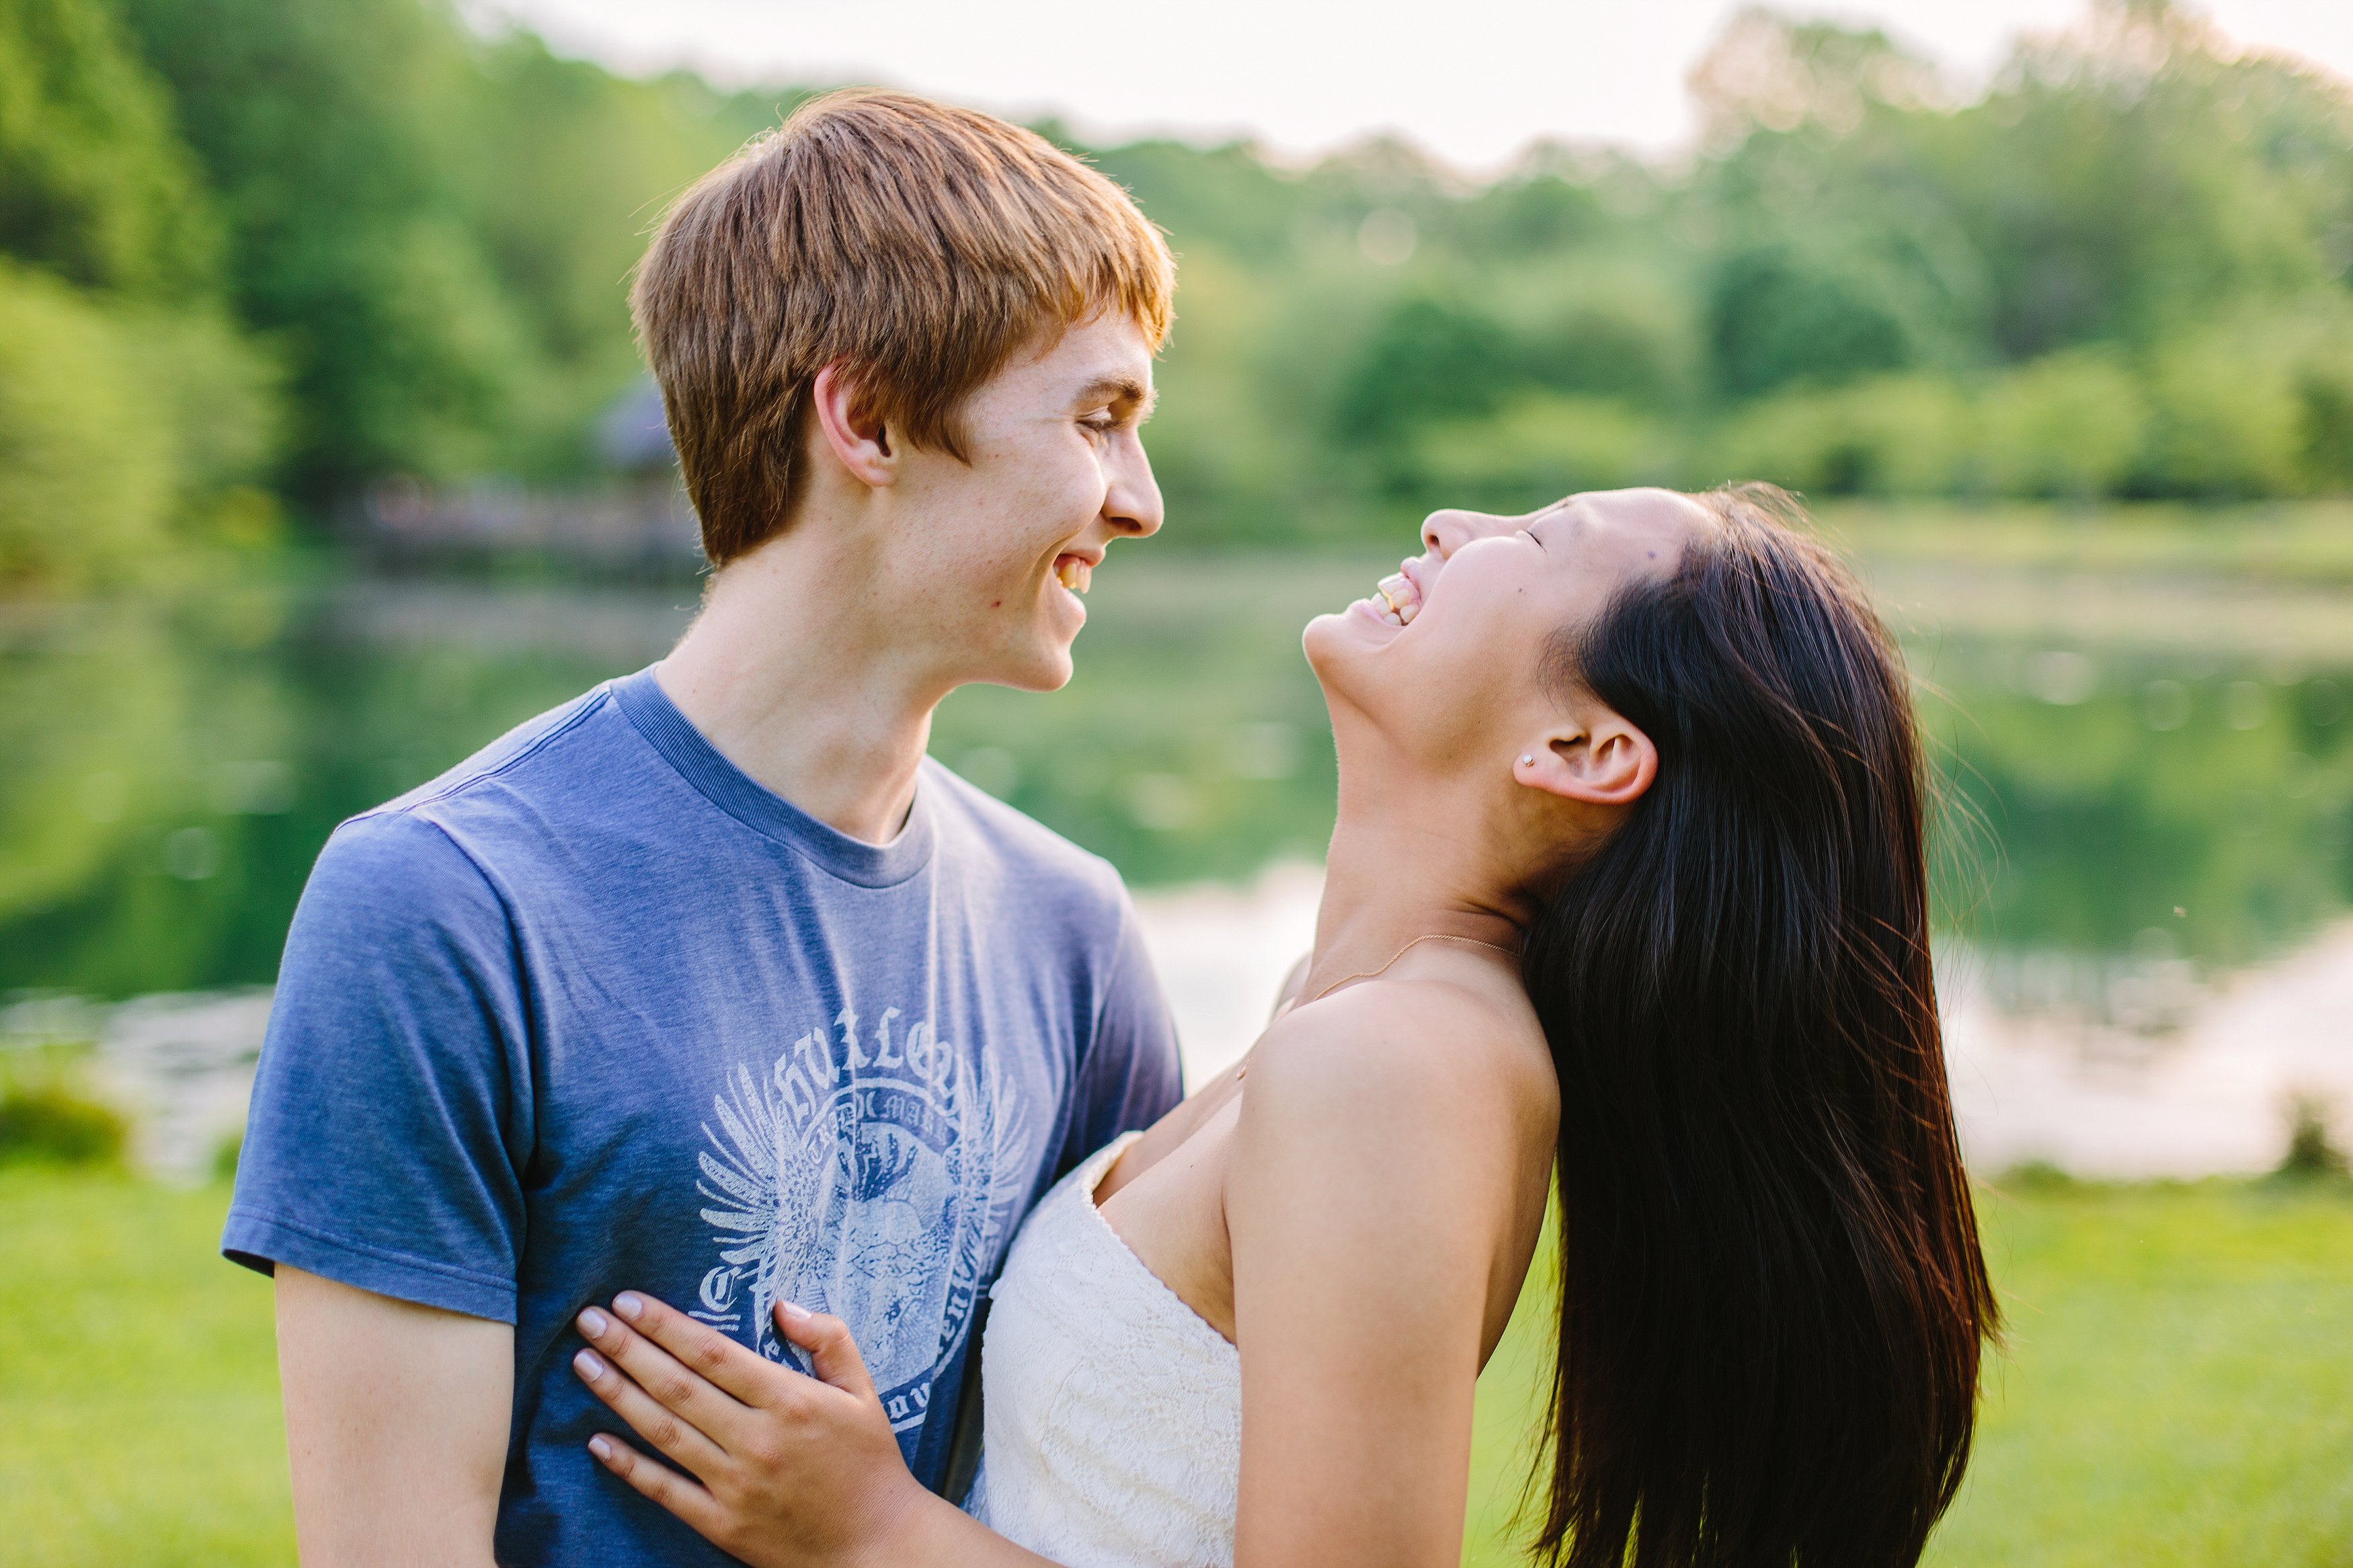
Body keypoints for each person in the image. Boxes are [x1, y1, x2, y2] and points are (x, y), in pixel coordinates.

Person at [561, 484, 2001, 1568]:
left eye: (1541, 536)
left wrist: (872, 1529)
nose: (1452, 520)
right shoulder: (1340, 1019)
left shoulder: (1395, 1066)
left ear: (1579, 749)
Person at [221, 90, 1185, 1567]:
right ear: (863, 419)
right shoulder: (442, 905)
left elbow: (1135, 1507)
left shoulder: (1077, 933)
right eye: (1096, 418)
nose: (1140, 502)